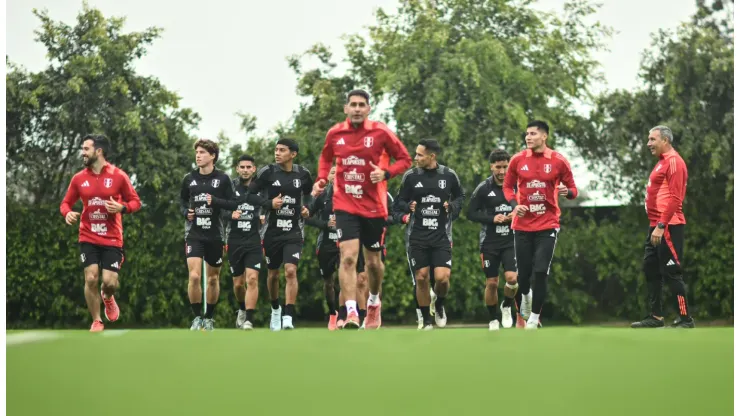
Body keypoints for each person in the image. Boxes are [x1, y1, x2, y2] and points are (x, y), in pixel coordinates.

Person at [313, 89, 412, 329]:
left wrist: (386, 173)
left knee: (373, 264)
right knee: (347, 257)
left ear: (368, 109)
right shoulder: (335, 133)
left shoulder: (380, 132)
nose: (357, 108)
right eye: (353, 104)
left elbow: (404, 159)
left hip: (373, 206)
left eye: (361, 105)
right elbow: (326, 158)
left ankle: (374, 302)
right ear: (346, 108)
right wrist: (322, 179)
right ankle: (351, 313)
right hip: (345, 203)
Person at [60, 134, 141, 332]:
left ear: (99, 151)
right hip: (87, 236)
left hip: (112, 238)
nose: (83, 153)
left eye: (86, 149)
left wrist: (121, 208)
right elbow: (65, 203)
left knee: (109, 282)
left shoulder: (118, 176)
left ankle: (108, 297)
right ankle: (97, 320)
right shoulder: (78, 178)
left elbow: (135, 202)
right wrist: (67, 213)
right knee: (91, 278)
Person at [502, 121, 577, 330]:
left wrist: (566, 191)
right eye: (526, 134)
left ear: (544, 136)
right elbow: (508, 187)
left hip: (548, 224)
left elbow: (573, 190)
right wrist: (515, 206)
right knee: (523, 276)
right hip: (522, 226)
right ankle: (525, 294)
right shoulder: (517, 160)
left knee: (541, 270)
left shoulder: (558, 161)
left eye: (533, 134)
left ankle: (534, 318)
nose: (528, 137)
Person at [395, 139, 465, 330]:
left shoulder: (449, 175)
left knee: (442, 278)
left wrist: (452, 207)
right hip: (417, 236)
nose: (415, 157)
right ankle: (426, 321)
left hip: (441, 235)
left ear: (432, 156)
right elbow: (399, 202)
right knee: (421, 277)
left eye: (419, 154)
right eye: (415, 153)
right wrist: (406, 209)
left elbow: (460, 197)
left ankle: (440, 303)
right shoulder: (410, 176)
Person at [246, 138, 313, 331]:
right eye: (276, 149)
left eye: (282, 150)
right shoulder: (267, 172)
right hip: (271, 232)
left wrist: (307, 208)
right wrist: (269, 204)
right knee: (273, 274)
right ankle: (275, 309)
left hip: (293, 231)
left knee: (291, 271)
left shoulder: (303, 174)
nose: (277, 153)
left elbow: (308, 195)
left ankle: (288, 316)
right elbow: (249, 196)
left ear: (293, 154)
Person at [631, 125, 694, 329]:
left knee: (672, 272)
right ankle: (656, 318)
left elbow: (676, 198)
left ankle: (686, 319)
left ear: (665, 140)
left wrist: (660, 225)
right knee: (650, 269)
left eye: (652, 139)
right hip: (655, 226)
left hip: (668, 226)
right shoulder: (661, 163)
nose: (648, 143)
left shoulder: (674, 162)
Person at [467, 149, 526, 330]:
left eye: (505, 167)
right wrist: (493, 218)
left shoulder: (518, 186)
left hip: (511, 240)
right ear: (491, 166)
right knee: (491, 282)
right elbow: (470, 213)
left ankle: (507, 306)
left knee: (512, 278)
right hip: (489, 243)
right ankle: (493, 319)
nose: (502, 171)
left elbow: (526, 209)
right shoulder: (483, 188)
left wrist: (514, 216)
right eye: (498, 167)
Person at [179, 139, 234, 331]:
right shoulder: (189, 179)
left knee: (212, 279)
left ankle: (209, 317)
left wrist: (215, 201)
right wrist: (186, 212)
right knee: (194, 277)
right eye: (197, 152)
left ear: (213, 156)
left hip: (215, 235)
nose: (198, 155)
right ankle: (196, 318)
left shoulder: (223, 179)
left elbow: (233, 204)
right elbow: (182, 203)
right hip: (194, 234)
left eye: (202, 152)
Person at [206, 155, 263, 330]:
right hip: (234, 240)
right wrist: (231, 215)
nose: (245, 170)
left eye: (249, 167)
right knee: (238, 284)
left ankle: (249, 320)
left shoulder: (261, 188)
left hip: (254, 240)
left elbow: (270, 206)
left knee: (252, 279)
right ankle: (242, 310)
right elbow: (219, 211)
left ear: (254, 169)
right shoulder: (230, 188)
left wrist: (264, 217)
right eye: (242, 167)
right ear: (237, 169)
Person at [306, 166, 342, 330]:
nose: (337, 175)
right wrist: (325, 225)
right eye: (333, 172)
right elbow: (307, 217)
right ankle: (333, 313)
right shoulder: (322, 197)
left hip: (345, 243)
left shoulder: (352, 195)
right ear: (328, 176)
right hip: (326, 243)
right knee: (329, 282)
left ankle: (344, 315)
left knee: (345, 279)